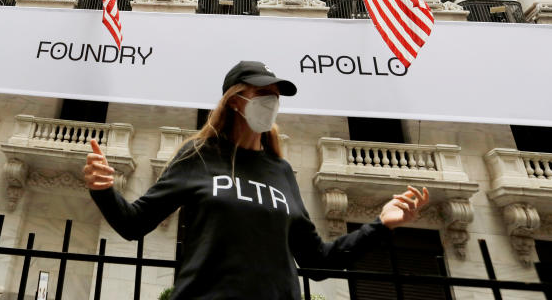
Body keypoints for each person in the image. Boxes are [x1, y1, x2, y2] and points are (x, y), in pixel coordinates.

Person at [84, 60, 430, 300]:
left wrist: (381, 225)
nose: (272, 102)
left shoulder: (281, 171)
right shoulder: (198, 156)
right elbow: (134, 223)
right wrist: (103, 190)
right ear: (235, 101)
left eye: (276, 96)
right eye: (262, 94)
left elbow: (318, 261)